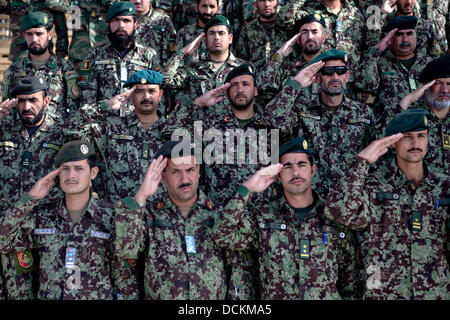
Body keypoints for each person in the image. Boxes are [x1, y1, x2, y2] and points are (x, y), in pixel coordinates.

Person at [212, 136, 360, 299]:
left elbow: (350, 283)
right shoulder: (263, 217)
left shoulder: (334, 218)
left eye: (301, 165)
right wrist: (248, 188)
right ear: (278, 176)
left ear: (313, 170)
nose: (295, 172)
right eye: (287, 167)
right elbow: (222, 236)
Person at [325, 109, 449, 299]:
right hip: (385, 294)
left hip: (436, 293)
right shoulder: (374, 186)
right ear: (393, 142)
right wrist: (362, 161)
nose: (415, 143)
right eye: (407, 137)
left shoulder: (444, 187)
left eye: (421, 136)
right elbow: (338, 211)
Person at [113, 140, 253, 299]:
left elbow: (237, 273)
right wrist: (142, 195)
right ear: (163, 176)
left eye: (190, 169)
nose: (185, 179)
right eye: (175, 172)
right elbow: (125, 251)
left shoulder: (222, 216)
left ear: (199, 170)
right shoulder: (147, 215)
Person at [0, 140, 138, 299]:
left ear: (93, 173)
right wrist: (30, 197)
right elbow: (4, 240)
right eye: (65, 169)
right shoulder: (44, 217)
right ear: (57, 173)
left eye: (79, 169)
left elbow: (125, 281)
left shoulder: (112, 217)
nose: (71, 175)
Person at [264, 50, 375, 200]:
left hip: (350, 202)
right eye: (328, 72)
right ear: (317, 78)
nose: (335, 77)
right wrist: (296, 84)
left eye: (340, 71)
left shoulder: (363, 113)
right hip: (310, 202)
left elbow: (374, 159)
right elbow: (271, 119)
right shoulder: (302, 111)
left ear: (347, 76)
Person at [0, 76, 72, 299]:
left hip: (49, 234)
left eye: (33, 100)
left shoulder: (61, 133)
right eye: (20, 101)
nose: (26, 107)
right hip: (10, 232)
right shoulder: (5, 131)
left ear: (47, 101)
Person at [77, 69, 167, 203]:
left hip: (161, 218)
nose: (146, 97)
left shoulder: (172, 131)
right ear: (130, 96)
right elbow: (71, 127)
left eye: (151, 91)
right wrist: (105, 105)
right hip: (118, 215)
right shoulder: (112, 127)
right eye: (140, 91)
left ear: (160, 95)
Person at [78, 1, 160, 117]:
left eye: (126, 21)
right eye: (115, 20)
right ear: (108, 25)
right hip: (104, 128)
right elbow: (85, 104)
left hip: (139, 128)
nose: (121, 25)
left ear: (135, 25)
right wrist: (106, 106)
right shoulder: (94, 56)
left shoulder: (149, 56)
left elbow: (158, 101)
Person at [354, 15, 432, 130]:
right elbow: (362, 83)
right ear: (390, 39)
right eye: (399, 34)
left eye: (409, 34)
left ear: (415, 37)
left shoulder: (428, 63)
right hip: (391, 129)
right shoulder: (381, 63)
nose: (405, 39)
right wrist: (377, 50)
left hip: (424, 131)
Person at [1, 11, 79, 123]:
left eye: (39, 34)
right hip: (21, 136)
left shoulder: (65, 68)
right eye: (29, 34)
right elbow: (7, 109)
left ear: (50, 35)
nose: (34, 40)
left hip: (56, 135)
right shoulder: (14, 70)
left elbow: (74, 108)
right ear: (23, 35)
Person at [163, 15, 245, 103]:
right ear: (205, 40)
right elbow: (165, 80)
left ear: (230, 38)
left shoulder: (243, 68)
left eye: (221, 33)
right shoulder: (193, 69)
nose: (217, 37)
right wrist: (182, 52)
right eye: (212, 33)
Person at [396, 54, 449, 176]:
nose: (444, 90)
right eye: (438, 83)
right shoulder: (411, 114)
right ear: (427, 86)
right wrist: (407, 100)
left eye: (449, 84)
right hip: (421, 191)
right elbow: (381, 136)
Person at [257, 13, 326, 104]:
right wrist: (280, 54)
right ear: (298, 39)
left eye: (314, 32)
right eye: (304, 32)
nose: (310, 36)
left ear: (323, 38)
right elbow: (261, 85)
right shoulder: (287, 67)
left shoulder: (331, 65)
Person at [235, 0, 288, 71]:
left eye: (271, 0)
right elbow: (240, 59)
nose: (267, 4)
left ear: (277, 3)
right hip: (257, 77)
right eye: (262, 0)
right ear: (256, 3)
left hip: (283, 77)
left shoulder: (286, 27)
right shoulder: (248, 28)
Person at [175, 0, 220, 65]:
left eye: (212, 6)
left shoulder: (222, 34)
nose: (208, 11)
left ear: (218, 9)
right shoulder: (183, 32)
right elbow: (176, 60)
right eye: (204, 6)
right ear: (197, 7)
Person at [131, 0, 177, 65]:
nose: (138, 1)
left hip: (154, 70)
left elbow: (172, 50)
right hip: (130, 68)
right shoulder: (122, 20)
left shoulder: (163, 21)